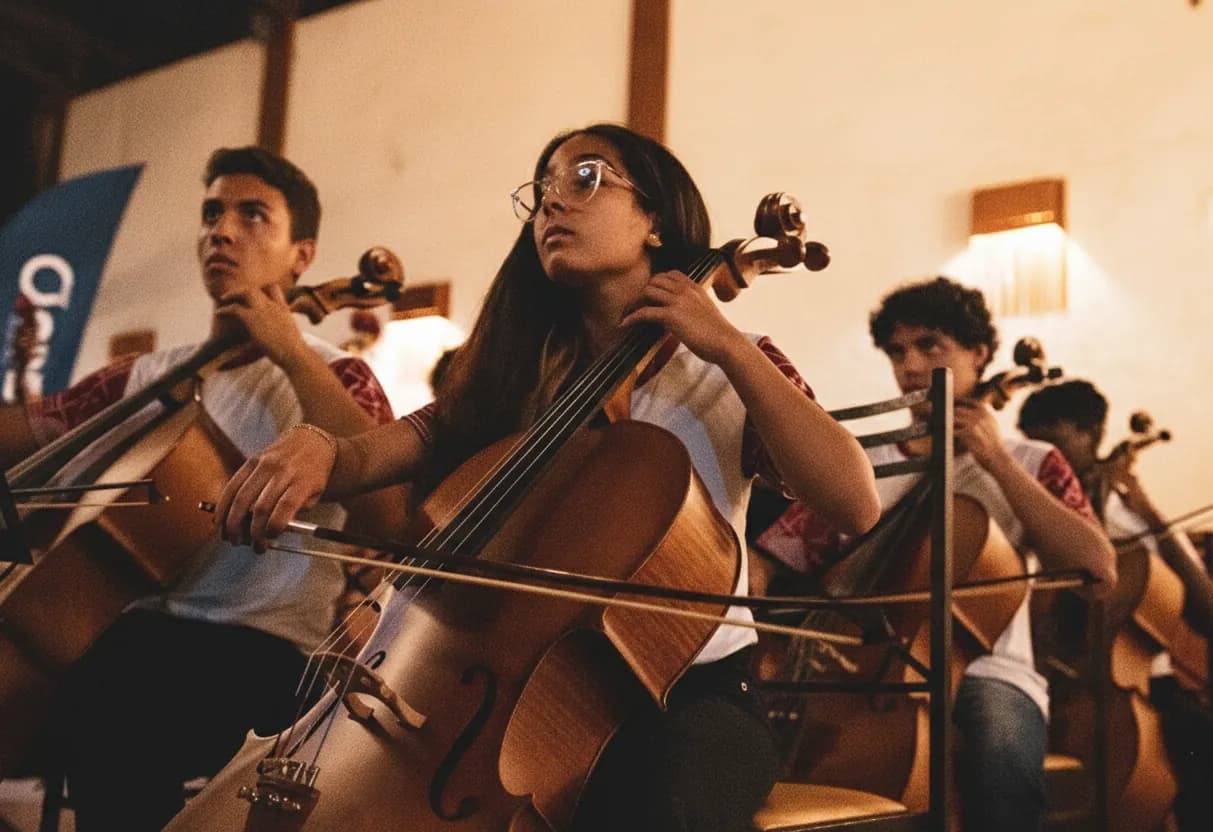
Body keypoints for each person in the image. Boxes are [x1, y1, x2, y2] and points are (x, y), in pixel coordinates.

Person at [213, 122, 881, 832]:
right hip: (513, 692)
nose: (551, 205)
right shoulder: (520, 378)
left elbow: (854, 502)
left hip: (692, 697)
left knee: (655, 801)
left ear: (655, 218)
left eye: (584, 178)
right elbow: (388, 449)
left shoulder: (723, 366)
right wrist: (322, 449)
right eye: (541, 191)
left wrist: (726, 346)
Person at [0, 146, 396, 831]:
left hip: (260, 648)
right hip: (133, 628)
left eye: (252, 215)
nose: (222, 229)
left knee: (114, 703)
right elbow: (31, 431)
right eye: (212, 213)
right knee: (108, 681)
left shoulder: (336, 376)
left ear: (301, 255)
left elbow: (389, 513)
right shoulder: (149, 374)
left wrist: (290, 351)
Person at [755, 276, 1116, 832]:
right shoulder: (863, 461)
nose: (911, 366)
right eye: (898, 351)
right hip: (858, 667)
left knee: (1001, 752)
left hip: (988, 669)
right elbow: (776, 559)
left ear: (979, 353)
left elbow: (1098, 571)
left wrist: (995, 459)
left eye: (931, 346)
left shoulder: (1034, 458)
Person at [1018, 379, 1213, 832]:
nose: (1049, 460)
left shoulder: (1133, 517)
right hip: (1053, 687)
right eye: (1036, 447)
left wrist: (1149, 513)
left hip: (1144, 689)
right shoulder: (1032, 512)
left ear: (1092, 434)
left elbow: (1211, 617)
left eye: (1058, 443)